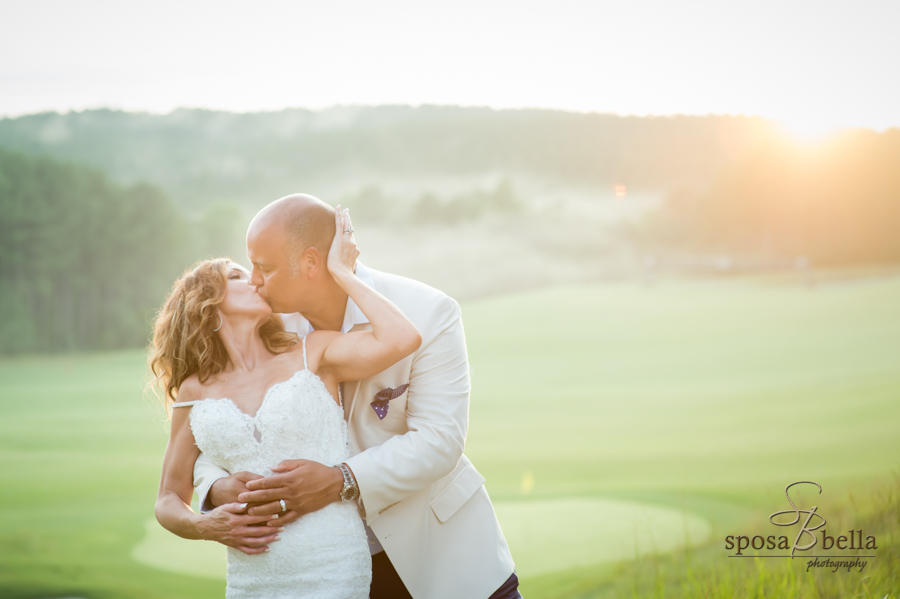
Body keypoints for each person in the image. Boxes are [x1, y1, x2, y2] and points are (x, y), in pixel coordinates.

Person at [192, 194, 520, 599]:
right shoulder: (267, 325)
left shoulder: (429, 311)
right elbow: (220, 419)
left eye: (265, 268)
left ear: (311, 263)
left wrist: (339, 480)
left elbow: (440, 442)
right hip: (327, 570)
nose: (254, 281)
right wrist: (215, 488)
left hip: (442, 555)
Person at [151, 206, 422, 598]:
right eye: (238, 276)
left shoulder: (312, 353)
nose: (256, 282)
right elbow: (167, 499)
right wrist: (207, 527)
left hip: (333, 565)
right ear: (208, 306)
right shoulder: (195, 391)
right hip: (251, 579)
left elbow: (402, 338)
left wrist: (344, 273)